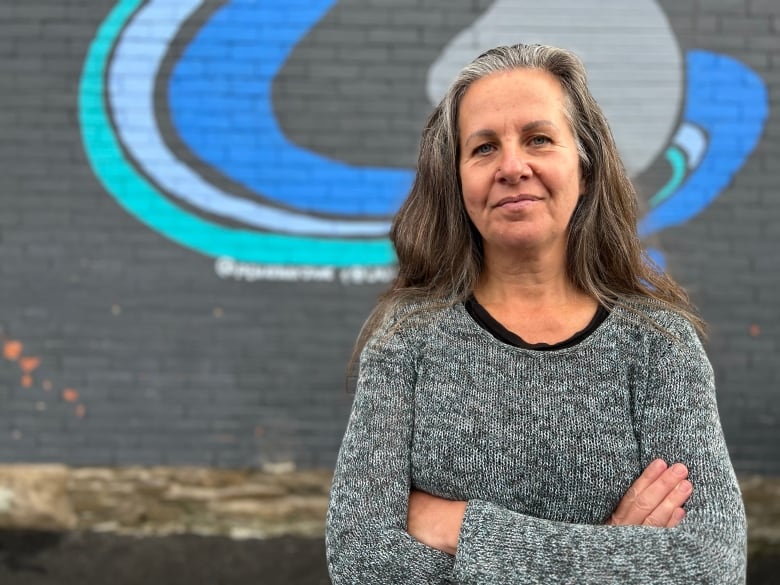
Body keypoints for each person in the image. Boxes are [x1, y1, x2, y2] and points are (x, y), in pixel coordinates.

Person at [326, 44, 746, 583]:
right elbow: (360, 561)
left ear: (585, 167)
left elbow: (713, 565)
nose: (511, 167)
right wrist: (614, 553)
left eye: (539, 139)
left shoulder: (659, 345)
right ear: (457, 182)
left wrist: (463, 529)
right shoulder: (407, 339)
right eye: (482, 149)